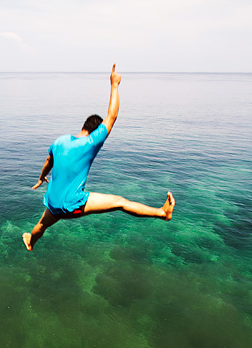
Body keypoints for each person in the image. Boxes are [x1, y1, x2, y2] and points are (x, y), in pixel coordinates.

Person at [23, 64, 175, 251]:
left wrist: (40, 178)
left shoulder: (59, 141)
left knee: (42, 224)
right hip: (72, 205)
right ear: (95, 132)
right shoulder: (91, 142)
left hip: (53, 203)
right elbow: (112, 116)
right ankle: (162, 213)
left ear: (83, 126)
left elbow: (48, 162)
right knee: (120, 202)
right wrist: (114, 84)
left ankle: (30, 242)